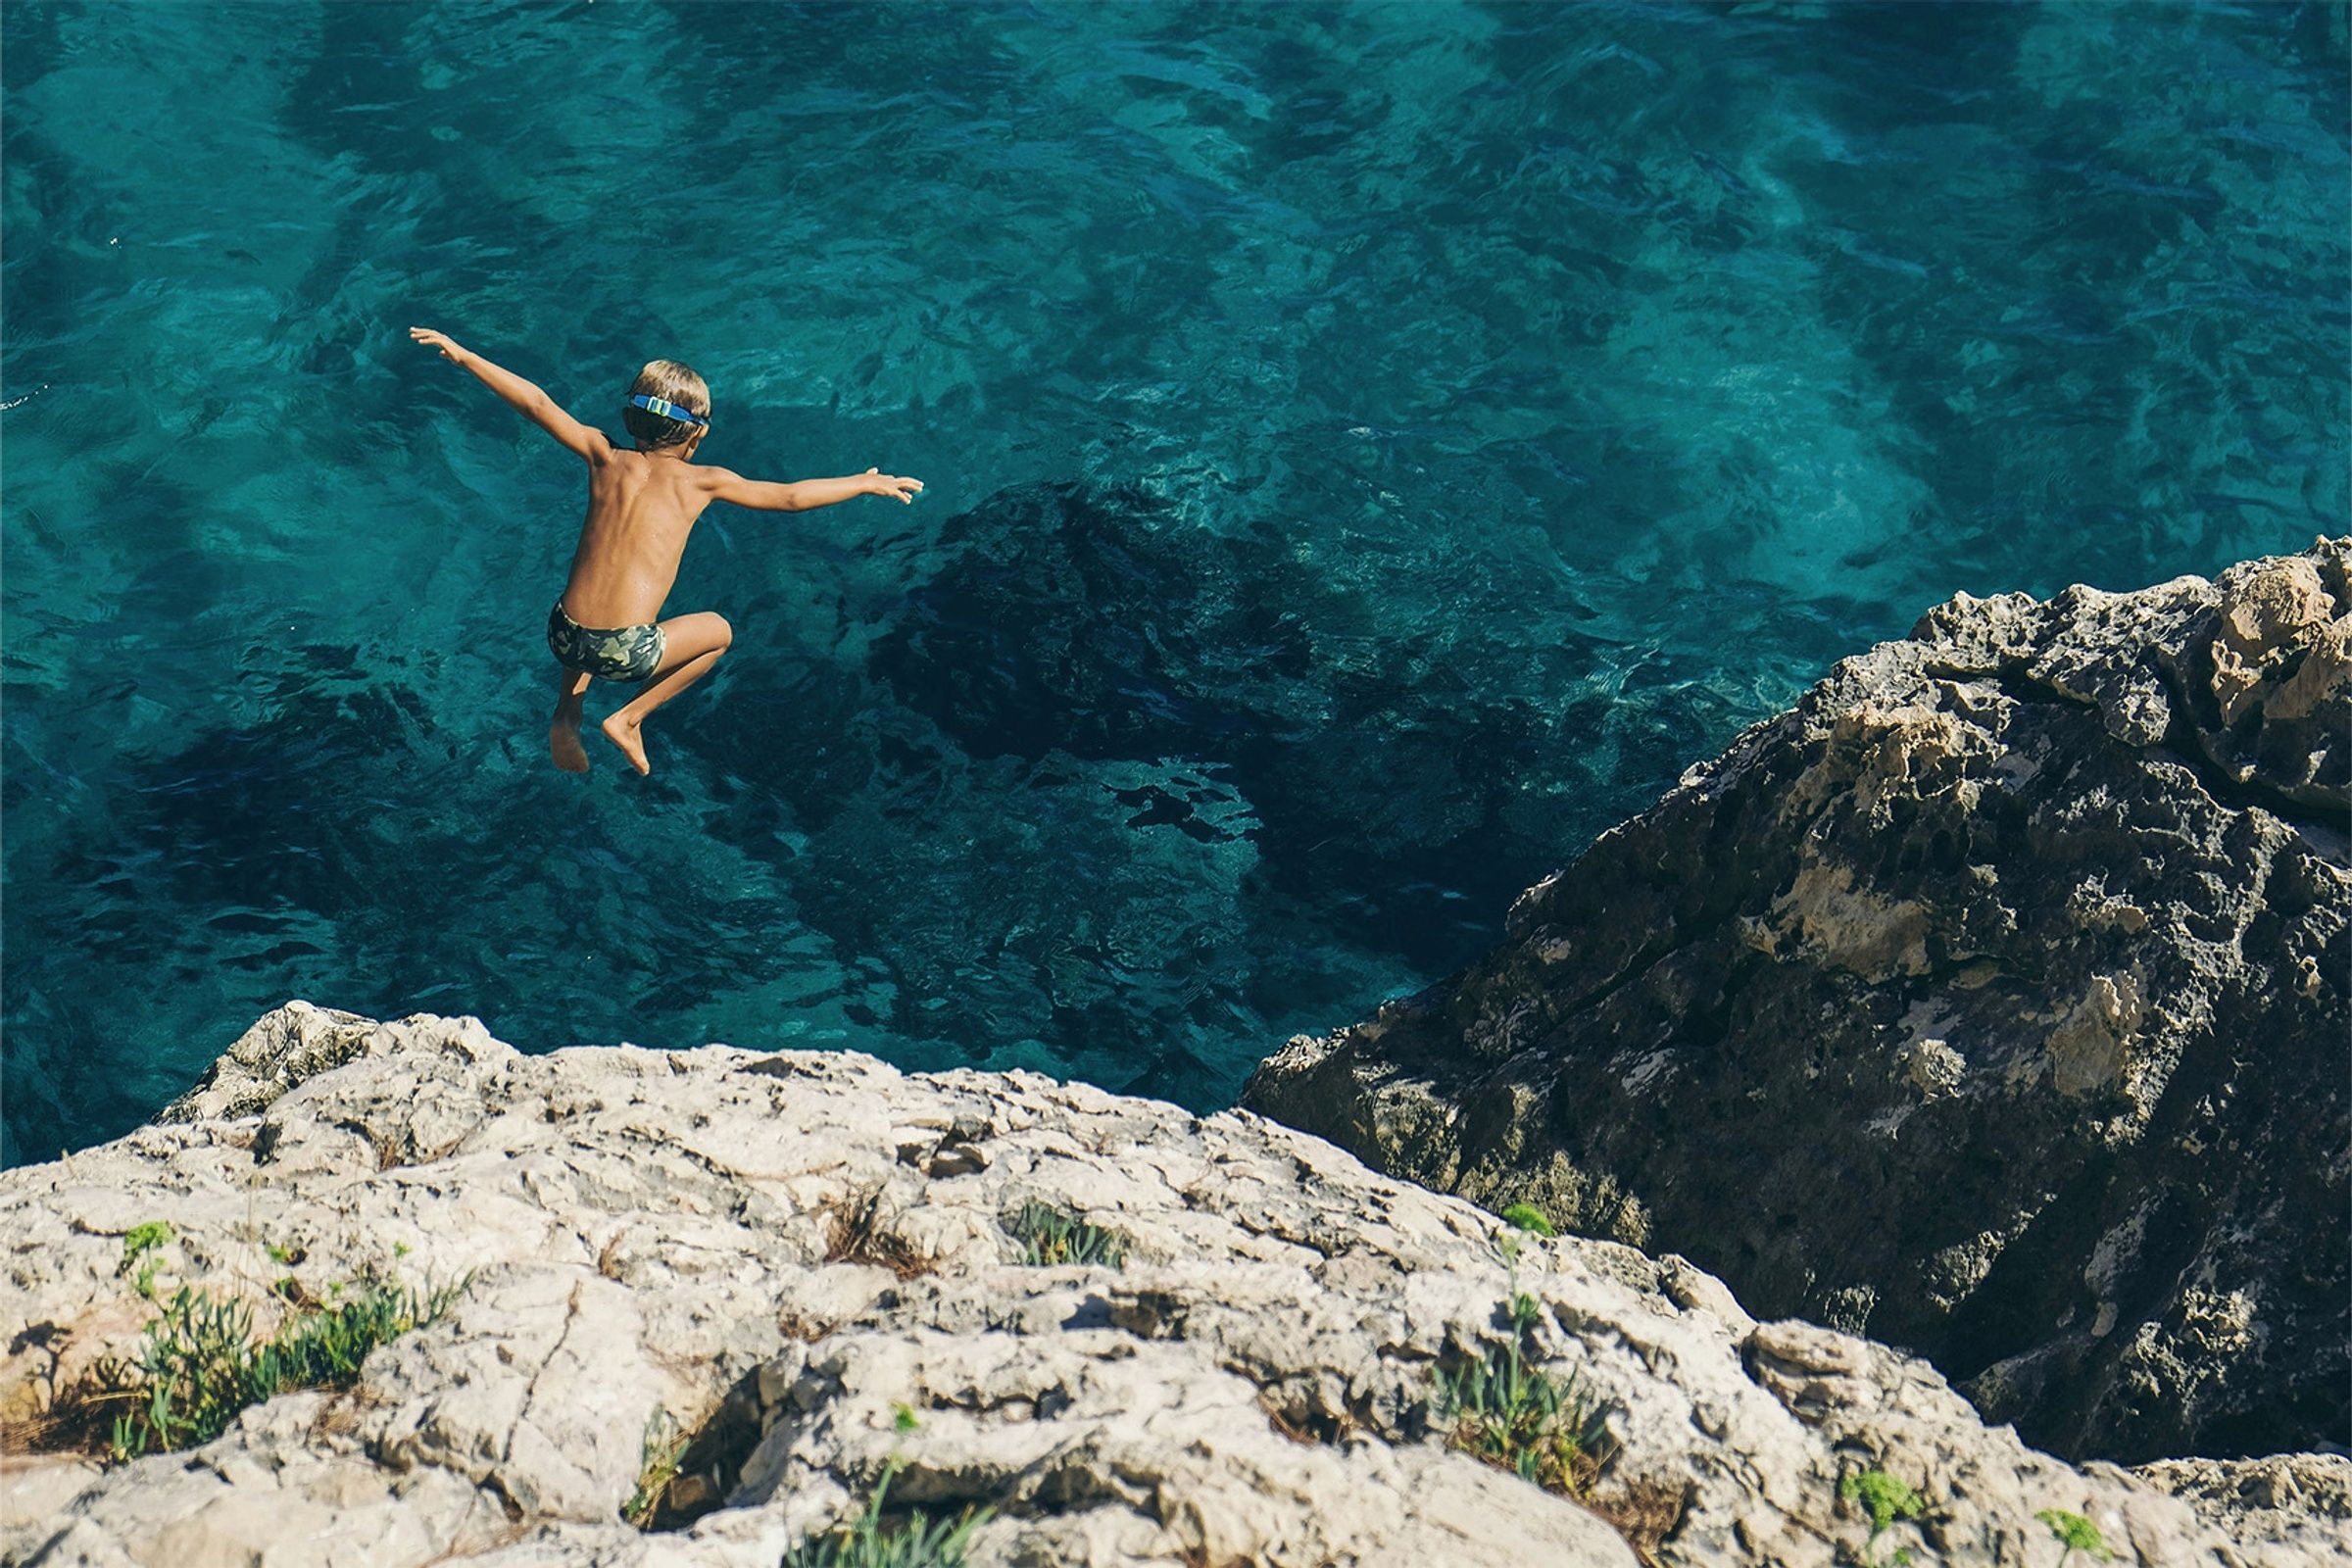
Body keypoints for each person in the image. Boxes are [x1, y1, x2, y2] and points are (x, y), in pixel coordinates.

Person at [408, 327, 922, 775]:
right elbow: (789, 497)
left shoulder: (602, 455)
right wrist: (859, 483)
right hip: (626, 653)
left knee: (591, 615)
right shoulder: (703, 483)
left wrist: (465, 355)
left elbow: (537, 403)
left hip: (562, 633)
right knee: (720, 632)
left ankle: (567, 713)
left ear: (632, 418)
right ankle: (628, 719)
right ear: (696, 432)